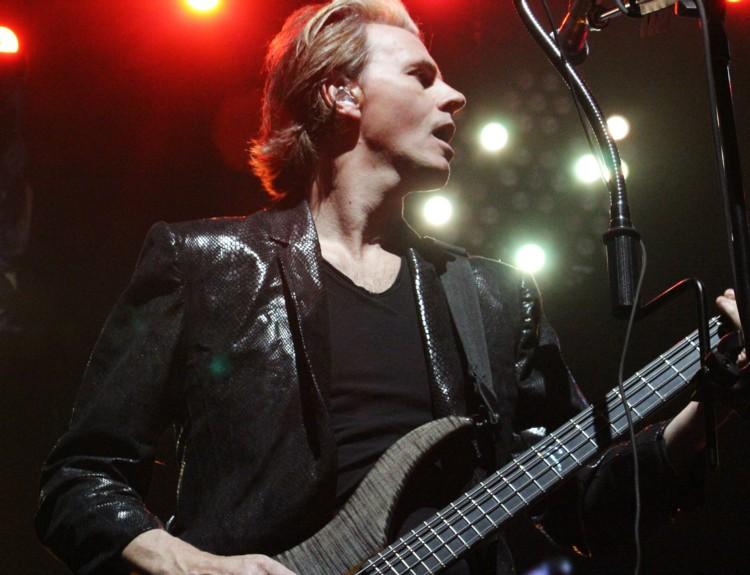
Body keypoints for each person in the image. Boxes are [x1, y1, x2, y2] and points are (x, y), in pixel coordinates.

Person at [35, 1, 744, 574]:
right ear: (341, 92)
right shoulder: (205, 263)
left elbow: (584, 501)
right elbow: (79, 480)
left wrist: (707, 408)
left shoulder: (495, 297)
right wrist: (190, 565)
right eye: (421, 75)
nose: (456, 94)